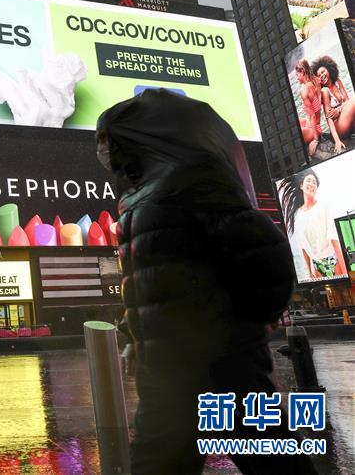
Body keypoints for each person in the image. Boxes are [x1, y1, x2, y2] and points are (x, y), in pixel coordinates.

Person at [95, 89, 315, 474]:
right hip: (165, 376)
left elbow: (267, 255)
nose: (104, 153)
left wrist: (245, 327)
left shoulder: (194, 186)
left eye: (109, 142)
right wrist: (137, 338)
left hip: (226, 370)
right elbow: (150, 285)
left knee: (274, 462)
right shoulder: (137, 201)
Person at [278, 169, 346, 279]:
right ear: (301, 185)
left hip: (332, 260)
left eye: (314, 183)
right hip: (316, 265)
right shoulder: (297, 215)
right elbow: (303, 246)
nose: (312, 184)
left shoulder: (323, 207)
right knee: (326, 290)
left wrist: (345, 271)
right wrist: (309, 271)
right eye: (309, 181)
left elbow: (334, 239)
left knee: (343, 289)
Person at [313, 55, 355, 153]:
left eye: (322, 72)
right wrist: (337, 141)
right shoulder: (324, 91)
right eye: (318, 75)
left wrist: (339, 110)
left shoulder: (338, 82)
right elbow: (328, 118)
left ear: (329, 69)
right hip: (338, 127)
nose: (321, 76)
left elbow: (347, 102)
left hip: (346, 121)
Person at [293, 59, 323, 156]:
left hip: (314, 129)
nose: (297, 78)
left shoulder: (304, 90)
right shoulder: (316, 81)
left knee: (292, 133)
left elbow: (313, 116)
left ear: (302, 71)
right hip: (311, 123)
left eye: (297, 75)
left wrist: (315, 139)